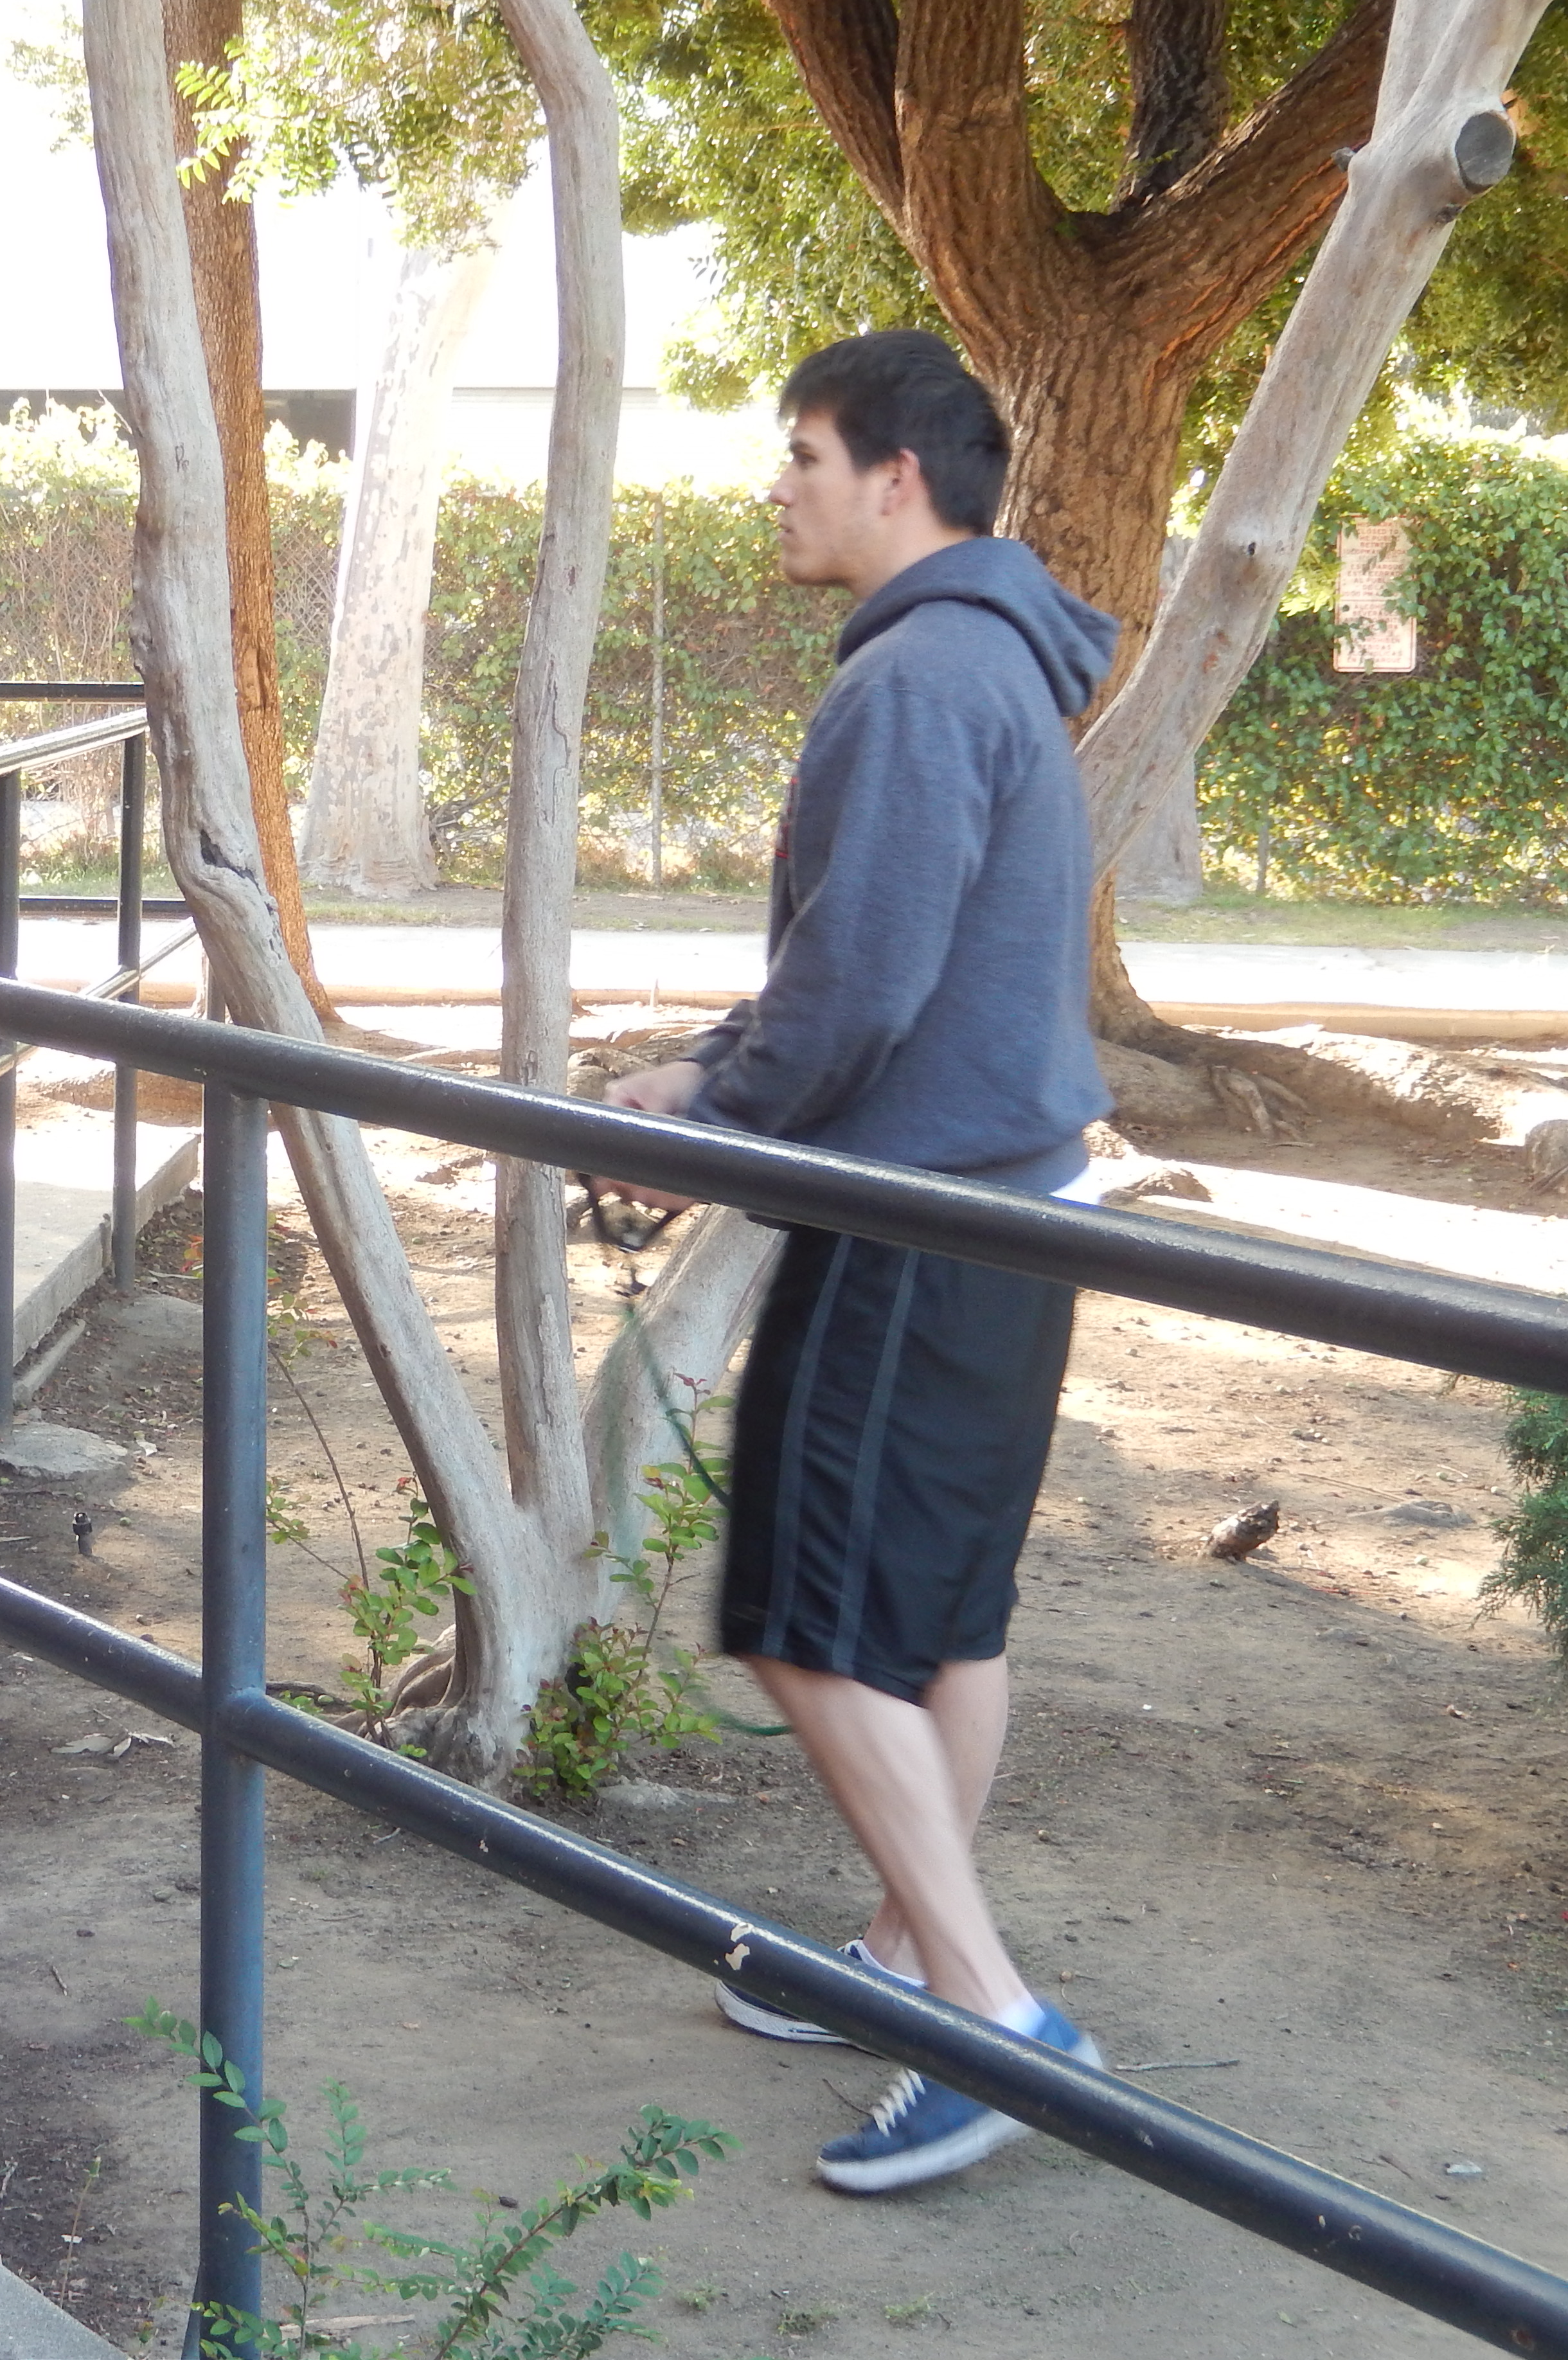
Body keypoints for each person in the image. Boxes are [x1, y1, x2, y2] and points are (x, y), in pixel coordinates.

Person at [601, 329, 1116, 2194]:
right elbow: (870, 952)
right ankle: (903, 1960)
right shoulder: (993, 657)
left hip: (911, 1221)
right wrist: (716, 1064)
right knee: (945, 1622)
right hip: (1010, 1206)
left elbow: (864, 986)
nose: (781, 488)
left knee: (804, 1624)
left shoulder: (915, 677)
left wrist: (713, 1128)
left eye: (805, 455)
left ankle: (989, 2026)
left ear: (898, 477)